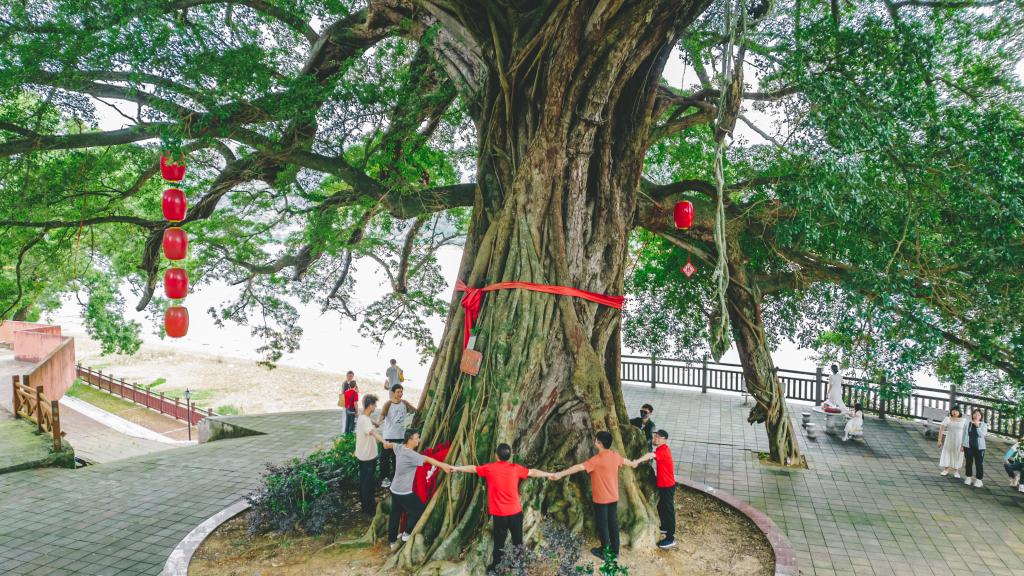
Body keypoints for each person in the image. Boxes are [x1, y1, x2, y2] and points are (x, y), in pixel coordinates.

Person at [451, 443, 551, 573]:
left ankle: (495, 568)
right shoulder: (515, 468)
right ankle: (518, 565)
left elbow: (473, 469)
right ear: (510, 456)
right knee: (518, 541)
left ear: (496, 455)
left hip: (500, 515)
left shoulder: (490, 468)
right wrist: (548, 474)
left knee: (499, 543)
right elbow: (532, 472)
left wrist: (456, 468)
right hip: (516, 513)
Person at [550, 430, 635, 560]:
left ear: (599, 443)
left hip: (601, 499)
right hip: (613, 497)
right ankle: (615, 551)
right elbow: (625, 461)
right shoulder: (614, 455)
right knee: (613, 523)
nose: (595, 441)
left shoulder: (597, 460)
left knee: (603, 525)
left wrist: (560, 474)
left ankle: (606, 552)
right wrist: (634, 463)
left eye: (596, 440)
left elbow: (578, 467)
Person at [381, 429, 451, 549]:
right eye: (417, 438)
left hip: (394, 488)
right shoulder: (411, 455)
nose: (419, 440)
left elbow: (392, 445)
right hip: (404, 492)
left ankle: (392, 541)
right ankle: (407, 533)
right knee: (420, 511)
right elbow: (427, 459)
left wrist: (387, 444)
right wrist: (443, 465)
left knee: (395, 514)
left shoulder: (400, 447)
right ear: (410, 440)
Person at [628, 429, 677, 549]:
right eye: (655, 436)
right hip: (662, 485)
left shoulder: (664, 451)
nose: (655, 439)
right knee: (661, 506)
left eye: (658, 437)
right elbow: (652, 456)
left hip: (668, 486)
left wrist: (637, 461)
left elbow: (650, 455)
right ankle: (664, 527)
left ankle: (670, 538)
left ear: (665, 440)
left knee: (668, 510)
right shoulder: (661, 449)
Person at [378, 384, 417, 488]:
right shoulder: (388, 404)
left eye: (401, 391)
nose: (400, 394)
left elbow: (415, 410)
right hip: (388, 436)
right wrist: (378, 422)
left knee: (397, 459)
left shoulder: (404, 403)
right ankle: (385, 478)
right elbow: (382, 415)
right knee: (384, 459)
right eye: (398, 392)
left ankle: (396, 478)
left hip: (400, 436)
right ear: (393, 393)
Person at [355, 394, 384, 515]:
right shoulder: (365, 420)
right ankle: (369, 509)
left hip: (364, 455)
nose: (376, 407)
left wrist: (376, 422)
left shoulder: (364, 418)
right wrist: (384, 442)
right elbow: (373, 432)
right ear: (370, 405)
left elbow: (371, 423)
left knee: (365, 482)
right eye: (375, 405)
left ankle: (366, 505)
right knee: (368, 483)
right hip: (367, 457)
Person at [961, 408, 988, 488]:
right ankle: (968, 477)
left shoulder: (984, 425)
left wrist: (977, 426)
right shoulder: (967, 423)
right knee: (968, 462)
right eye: (975, 414)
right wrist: (962, 445)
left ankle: (979, 480)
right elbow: (964, 434)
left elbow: (982, 435)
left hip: (980, 448)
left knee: (979, 463)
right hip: (968, 446)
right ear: (972, 415)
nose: (976, 416)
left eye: (978, 415)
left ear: (981, 416)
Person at [938, 406, 965, 477]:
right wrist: (939, 440)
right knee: (947, 452)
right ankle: (946, 469)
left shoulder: (964, 420)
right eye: (953, 411)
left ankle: (956, 471)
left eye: (956, 411)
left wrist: (964, 443)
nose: (954, 412)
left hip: (959, 440)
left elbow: (966, 432)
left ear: (959, 412)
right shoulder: (947, 419)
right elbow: (941, 430)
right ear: (951, 412)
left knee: (958, 454)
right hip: (949, 438)